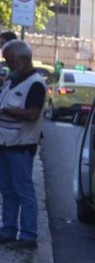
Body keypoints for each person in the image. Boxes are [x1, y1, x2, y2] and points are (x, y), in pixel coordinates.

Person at [0, 40, 47, 249]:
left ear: (23, 59)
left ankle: (28, 235)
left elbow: (32, 114)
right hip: (5, 144)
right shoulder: (13, 80)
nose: (8, 64)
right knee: (8, 190)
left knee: (23, 191)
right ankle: (8, 230)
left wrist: (5, 110)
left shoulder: (35, 84)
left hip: (21, 146)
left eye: (10, 60)